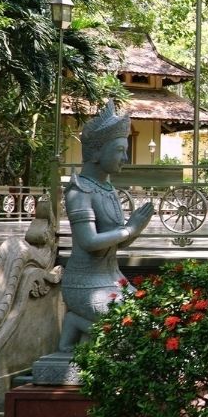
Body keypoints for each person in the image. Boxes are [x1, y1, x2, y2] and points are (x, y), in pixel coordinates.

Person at [58, 100, 154, 351]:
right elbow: (89, 241)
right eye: (120, 150)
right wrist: (129, 229)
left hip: (112, 279)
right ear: (97, 153)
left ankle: (82, 329)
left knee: (150, 319)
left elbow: (116, 241)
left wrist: (135, 229)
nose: (125, 157)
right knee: (130, 327)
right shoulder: (80, 191)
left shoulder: (108, 190)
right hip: (83, 285)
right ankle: (77, 322)